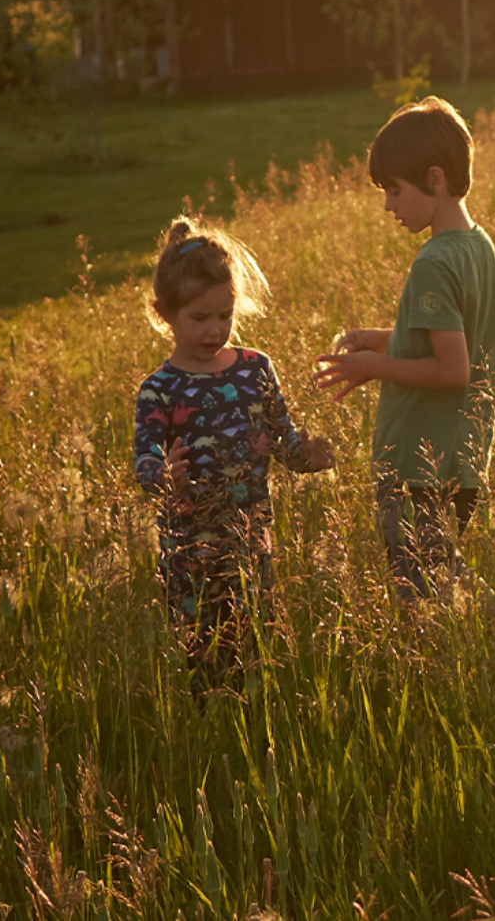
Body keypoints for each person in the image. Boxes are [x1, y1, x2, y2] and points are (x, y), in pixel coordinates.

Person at [315, 96, 495, 605]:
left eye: (394, 190)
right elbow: (449, 336)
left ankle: (448, 669)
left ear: (435, 180)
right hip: (460, 462)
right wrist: (377, 339)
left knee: (417, 601)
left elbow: (453, 369)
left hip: (423, 467)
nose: (388, 206)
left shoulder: (434, 262)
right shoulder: (479, 247)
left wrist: (374, 366)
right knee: (442, 580)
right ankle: (486, 634)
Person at [132, 217, 333, 691]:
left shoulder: (255, 369)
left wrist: (308, 454)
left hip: (251, 540)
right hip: (190, 551)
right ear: (164, 313)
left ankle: (254, 718)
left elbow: (284, 441)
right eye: (199, 319)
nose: (214, 329)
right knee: (201, 650)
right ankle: (208, 726)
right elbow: (144, 463)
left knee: (254, 642)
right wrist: (163, 474)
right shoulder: (158, 390)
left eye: (225, 315)